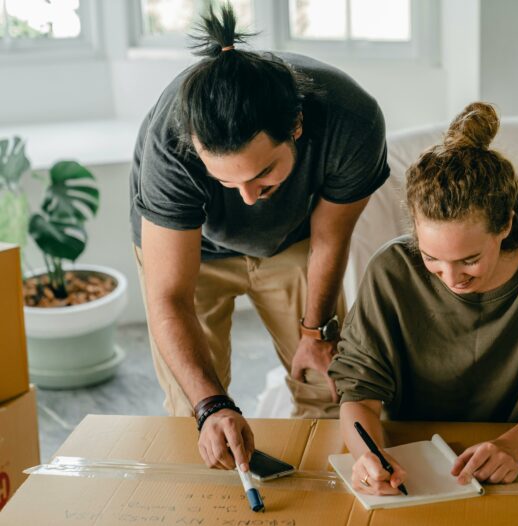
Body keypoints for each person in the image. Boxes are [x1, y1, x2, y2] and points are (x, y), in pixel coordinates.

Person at [129, 5, 389, 473]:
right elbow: (169, 296)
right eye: (227, 182)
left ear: (296, 127)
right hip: (191, 251)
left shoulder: (353, 122)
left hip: (293, 241)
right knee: (196, 412)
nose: (248, 199)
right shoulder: (169, 143)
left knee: (326, 387)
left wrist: (314, 332)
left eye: (263, 173)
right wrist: (211, 406)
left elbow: (330, 240)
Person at [328, 102, 518, 495]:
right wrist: (366, 456)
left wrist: (512, 445)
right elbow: (360, 392)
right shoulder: (390, 271)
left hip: (515, 457)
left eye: (470, 260)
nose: (452, 279)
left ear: (504, 224)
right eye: (431, 259)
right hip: (410, 463)